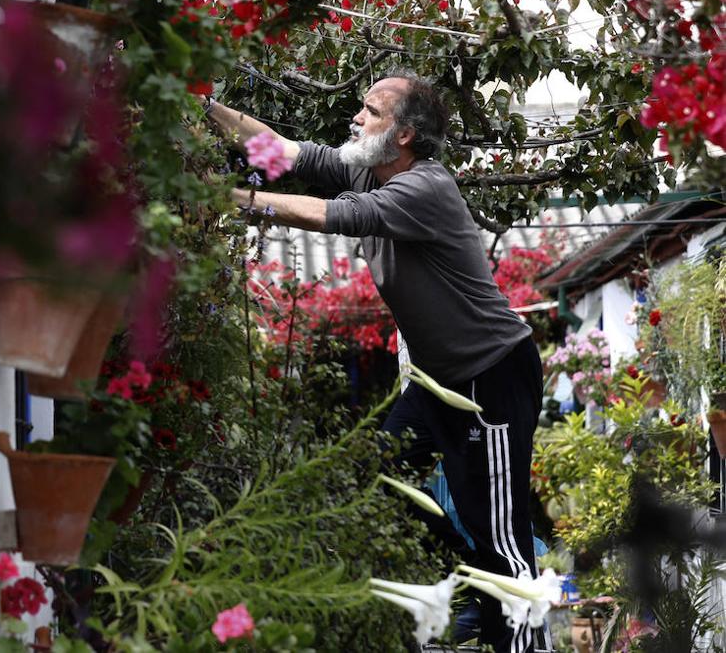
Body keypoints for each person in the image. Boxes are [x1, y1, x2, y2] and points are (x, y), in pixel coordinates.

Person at [209, 73, 543, 653]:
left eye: (371, 111)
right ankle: (473, 583)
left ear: (406, 134)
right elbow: (281, 151)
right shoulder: (369, 167)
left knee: (501, 533)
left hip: (490, 376)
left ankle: (521, 636)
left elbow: (324, 216)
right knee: (372, 477)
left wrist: (233, 199)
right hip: (437, 381)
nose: (356, 119)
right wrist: (206, 105)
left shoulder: (424, 188)